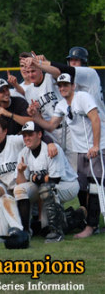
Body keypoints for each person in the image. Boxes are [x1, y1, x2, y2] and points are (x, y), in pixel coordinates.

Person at [29, 73, 105, 238]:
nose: (62, 88)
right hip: (81, 150)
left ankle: (92, 226)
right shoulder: (62, 105)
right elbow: (50, 126)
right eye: (60, 85)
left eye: (66, 84)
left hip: (96, 147)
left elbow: (95, 119)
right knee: (86, 187)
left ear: (73, 86)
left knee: (95, 186)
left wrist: (96, 145)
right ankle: (90, 222)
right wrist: (36, 117)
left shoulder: (83, 97)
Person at [14, 121, 79, 242]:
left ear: (39, 134)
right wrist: (21, 172)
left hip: (68, 185)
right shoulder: (24, 152)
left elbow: (54, 179)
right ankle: (25, 231)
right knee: (19, 189)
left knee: (46, 189)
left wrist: (36, 178)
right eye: (24, 135)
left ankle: (57, 233)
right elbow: (20, 183)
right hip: (45, 188)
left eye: (30, 134)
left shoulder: (52, 149)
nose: (26, 138)